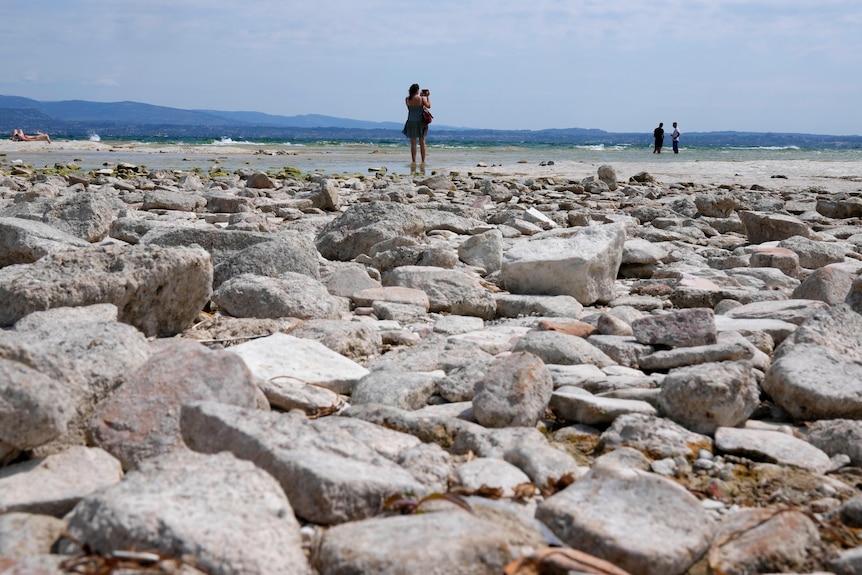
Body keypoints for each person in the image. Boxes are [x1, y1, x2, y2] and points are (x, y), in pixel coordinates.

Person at [402, 83, 431, 167]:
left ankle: (414, 161)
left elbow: (409, 109)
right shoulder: (421, 99)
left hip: (410, 121)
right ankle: (423, 161)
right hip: (420, 122)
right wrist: (427, 97)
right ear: (417, 90)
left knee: (413, 143)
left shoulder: (407, 99)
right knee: (422, 142)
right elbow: (429, 106)